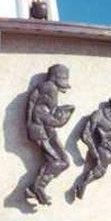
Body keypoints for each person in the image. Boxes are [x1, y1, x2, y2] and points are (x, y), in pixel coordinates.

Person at [24, 64, 74, 206]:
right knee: (58, 160)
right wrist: (66, 116)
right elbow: (51, 120)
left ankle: (36, 188)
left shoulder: (46, 96)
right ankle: (36, 188)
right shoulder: (48, 90)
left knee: (64, 161)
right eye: (63, 78)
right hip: (40, 133)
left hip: (47, 131)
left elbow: (50, 115)